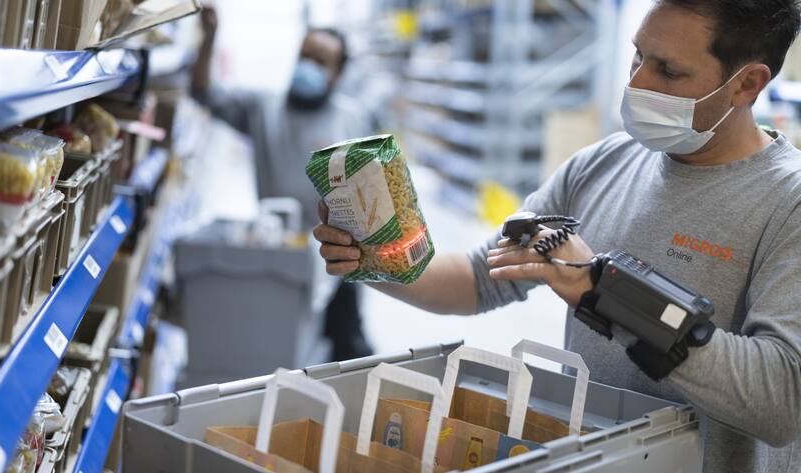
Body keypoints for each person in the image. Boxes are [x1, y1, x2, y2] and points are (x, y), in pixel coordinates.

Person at [313, 1, 801, 471]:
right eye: (638, 55)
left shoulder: (788, 203)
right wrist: (373, 258)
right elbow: (479, 278)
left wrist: (609, 293)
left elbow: (780, 401)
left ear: (747, 84)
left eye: (668, 71)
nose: (636, 83)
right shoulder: (603, 164)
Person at [192, 7, 374, 361]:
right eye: (304, 56)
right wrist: (209, 39)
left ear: (337, 74)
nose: (308, 66)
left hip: (338, 262)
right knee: (277, 353)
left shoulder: (353, 120)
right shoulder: (263, 107)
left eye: (320, 62)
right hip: (277, 259)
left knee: (343, 353)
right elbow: (203, 94)